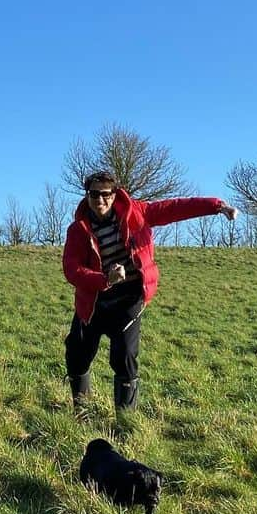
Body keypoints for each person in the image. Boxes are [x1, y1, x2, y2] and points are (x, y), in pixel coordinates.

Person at [62, 169, 237, 413]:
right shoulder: (78, 229)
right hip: (93, 301)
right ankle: (83, 413)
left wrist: (217, 206)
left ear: (115, 194)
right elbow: (72, 269)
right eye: (93, 194)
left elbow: (176, 208)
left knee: (124, 357)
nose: (99, 200)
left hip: (129, 299)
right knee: (77, 356)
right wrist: (104, 279)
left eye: (105, 194)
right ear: (86, 195)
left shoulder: (138, 213)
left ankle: (126, 421)